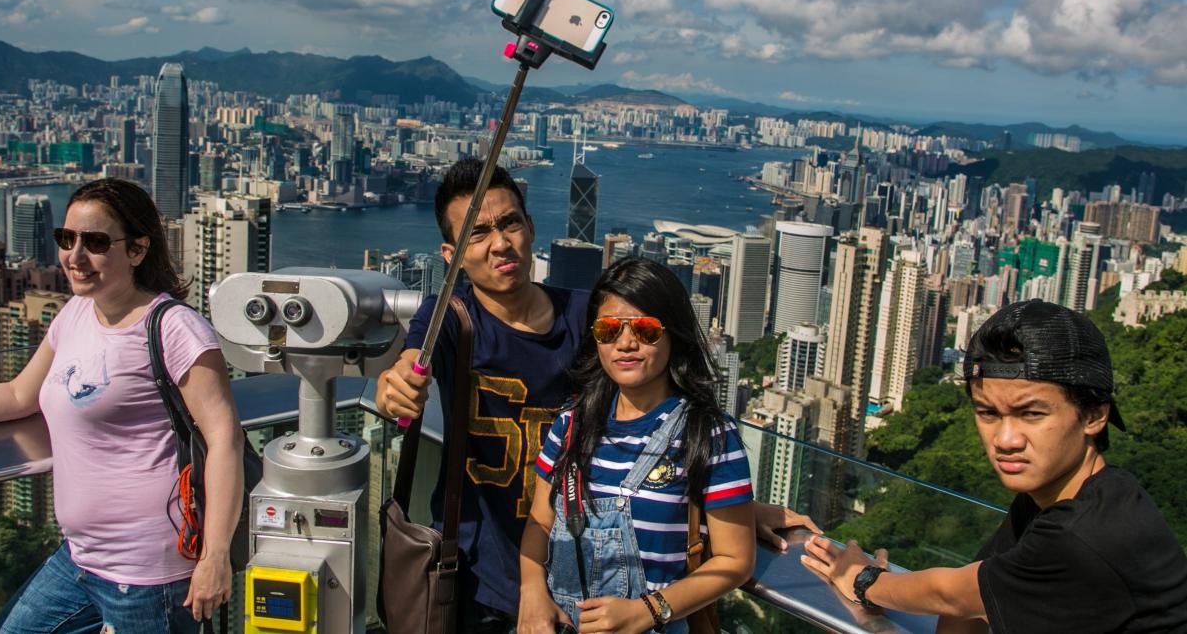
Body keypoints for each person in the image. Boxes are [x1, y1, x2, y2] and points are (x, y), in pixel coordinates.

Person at [377, 158, 816, 632]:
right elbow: (413, 358)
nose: (500, 243)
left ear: (530, 227)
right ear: (452, 254)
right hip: (478, 570)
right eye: (477, 234)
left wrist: (724, 507)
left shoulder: (592, 318)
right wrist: (396, 384)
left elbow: (652, 422)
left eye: (510, 223)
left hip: (591, 583)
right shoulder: (454, 319)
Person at [0, 178, 245, 633]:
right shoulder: (75, 313)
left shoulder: (175, 329)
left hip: (149, 574)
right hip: (78, 557)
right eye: (67, 239)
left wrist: (215, 556)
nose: (75, 256)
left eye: (96, 242)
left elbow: (225, 439)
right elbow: (18, 395)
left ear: (138, 250)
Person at [801, 299, 1187, 633]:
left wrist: (863, 579)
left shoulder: (1084, 535)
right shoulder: (1060, 497)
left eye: (1031, 414)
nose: (1006, 440)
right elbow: (968, 603)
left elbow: (950, 594)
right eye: (987, 413)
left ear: (1094, 416)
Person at [520, 258, 756, 634]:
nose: (626, 343)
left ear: (672, 334)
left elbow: (736, 558)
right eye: (608, 329)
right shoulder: (570, 426)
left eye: (646, 329)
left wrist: (648, 610)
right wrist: (532, 594)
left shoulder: (708, 434)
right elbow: (539, 528)